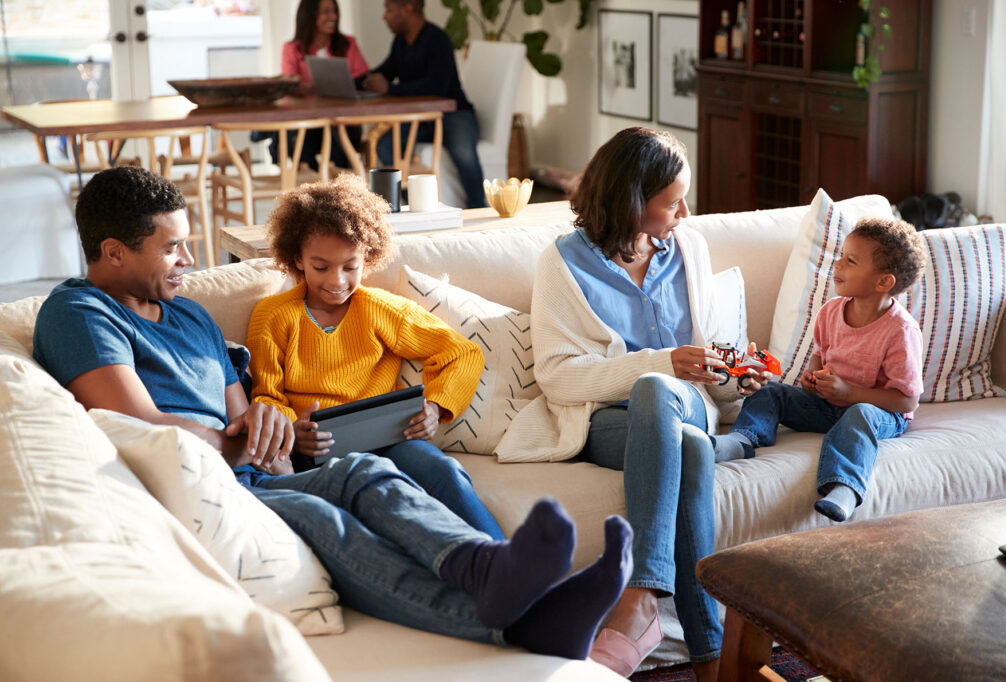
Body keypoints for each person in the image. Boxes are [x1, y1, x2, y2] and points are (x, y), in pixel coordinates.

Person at [31, 165, 633, 659]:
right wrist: (253, 440)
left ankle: (497, 574)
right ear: (113, 253)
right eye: (172, 247)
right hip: (196, 482)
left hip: (255, 470)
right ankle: (513, 616)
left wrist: (275, 434)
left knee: (368, 473)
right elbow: (147, 428)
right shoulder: (82, 314)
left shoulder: (189, 315)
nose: (189, 257)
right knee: (326, 518)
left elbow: (248, 417)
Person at [494, 127, 770, 681]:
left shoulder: (689, 248)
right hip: (604, 425)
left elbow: (708, 364)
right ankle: (710, 657)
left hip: (687, 403)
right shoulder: (563, 264)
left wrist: (737, 375)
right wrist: (662, 364)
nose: (685, 212)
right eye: (672, 202)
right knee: (687, 446)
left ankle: (642, 596)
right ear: (633, 202)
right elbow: (557, 380)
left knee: (660, 395)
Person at [246, 175, 502, 539]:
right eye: (321, 267)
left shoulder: (381, 310)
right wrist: (293, 432)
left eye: (350, 266)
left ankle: (505, 560)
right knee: (384, 501)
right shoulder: (273, 316)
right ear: (297, 259)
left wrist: (435, 408)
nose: (337, 281)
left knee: (443, 474)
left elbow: (462, 351)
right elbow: (266, 396)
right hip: (314, 452)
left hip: (391, 441)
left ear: (368, 256)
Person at [713, 218, 926, 522]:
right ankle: (742, 440)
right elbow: (821, 355)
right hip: (829, 405)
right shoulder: (831, 312)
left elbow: (906, 402)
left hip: (878, 414)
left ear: (882, 282)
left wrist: (850, 392)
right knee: (773, 392)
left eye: (850, 261)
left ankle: (844, 488)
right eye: (841, 255)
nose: (837, 264)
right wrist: (813, 378)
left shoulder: (900, 331)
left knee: (860, 413)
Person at [362, 0, 488, 208]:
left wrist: (390, 89)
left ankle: (479, 207)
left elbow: (435, 88)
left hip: (453, 113)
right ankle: (405, 205)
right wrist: (354, 81)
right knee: (385, 144)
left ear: (408, 7)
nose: (384, 16)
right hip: (420, 119)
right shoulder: (400, 43)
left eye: (389, 9)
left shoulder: (438, 39)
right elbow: (383, 72)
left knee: (463, 151)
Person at [260, 0, 366, 171]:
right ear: (310, 15)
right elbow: (289, 82)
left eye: (334, 11)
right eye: (325, 11)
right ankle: (311, 181)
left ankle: (335, 184)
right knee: (298, 136)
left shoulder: (348, 44)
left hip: (343, 123)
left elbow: (361, 79)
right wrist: (298, 88)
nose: (333, 16)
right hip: (309, 124)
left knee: (339, 148)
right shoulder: (292, 49)